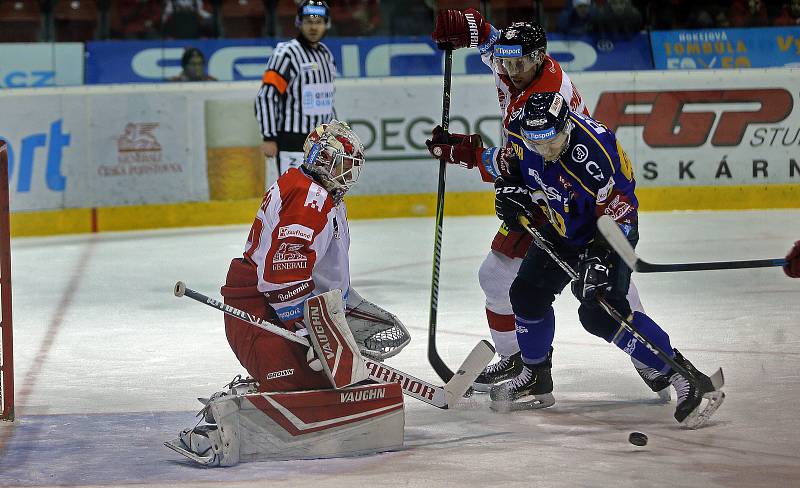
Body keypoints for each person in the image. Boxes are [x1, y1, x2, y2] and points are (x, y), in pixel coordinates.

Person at [426, 8, 650, 397]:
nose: (511, 70)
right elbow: (496, 43)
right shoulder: (522, 62)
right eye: (508, 63)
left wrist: (465, 153)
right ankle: (520, 360)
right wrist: (470, 26)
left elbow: (519, 163)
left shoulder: (544, 99)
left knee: (607, 286)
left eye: (520, 63)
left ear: (540, 58)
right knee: (497, 278)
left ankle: (653, 361)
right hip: (543, 190)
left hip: (570, 197)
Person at [166, 121, 410, 466]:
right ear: (322, 159)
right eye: (342, 165)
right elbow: (280, 279)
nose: (349, 175)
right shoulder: (310, 199)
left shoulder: (321, 194)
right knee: (312, 386)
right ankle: (215, 428)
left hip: (277, 306)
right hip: (260, 313)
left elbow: (320, 275)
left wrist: (344, 310)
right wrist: (308, 331)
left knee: (348, 378)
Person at [490, 92, 724, 428]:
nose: (544, 150)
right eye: (536, 143)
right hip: (563, 223)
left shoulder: (595, 154)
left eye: (552, 142)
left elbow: (622, 208)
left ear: (567, 126)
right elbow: (513, 169)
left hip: (610, 232)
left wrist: (599, 259)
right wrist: (510, 191)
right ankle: (535, 377)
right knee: (527, 293)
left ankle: (686, 377)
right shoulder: (520, 132)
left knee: (599, 313)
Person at [255, 0, 337, 176]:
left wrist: (334, 133)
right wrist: (269, 137)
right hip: (292, 141)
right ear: (299, 23)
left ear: (326, 24)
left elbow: (327, 98)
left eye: (318, 22)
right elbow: (267, 96)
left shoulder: (326, 55)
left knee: (319, 197)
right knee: (293, 197)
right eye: (308, 22)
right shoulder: (286, 53)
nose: (313, 27)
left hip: (322, 141)